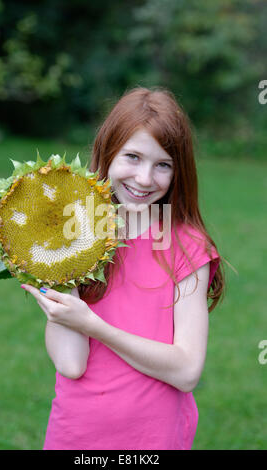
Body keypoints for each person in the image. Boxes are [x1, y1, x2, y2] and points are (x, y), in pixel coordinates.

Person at [22, 87, 225, 450]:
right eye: (132, 157)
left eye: (163, 164)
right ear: (107, 152)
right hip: (76, 434)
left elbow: (186, 370)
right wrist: (59, 296)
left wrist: (94, 326)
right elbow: (71, 364)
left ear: (179, 172)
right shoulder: (75, 234)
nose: (145, 178)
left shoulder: (187, 247)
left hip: (153, 439)